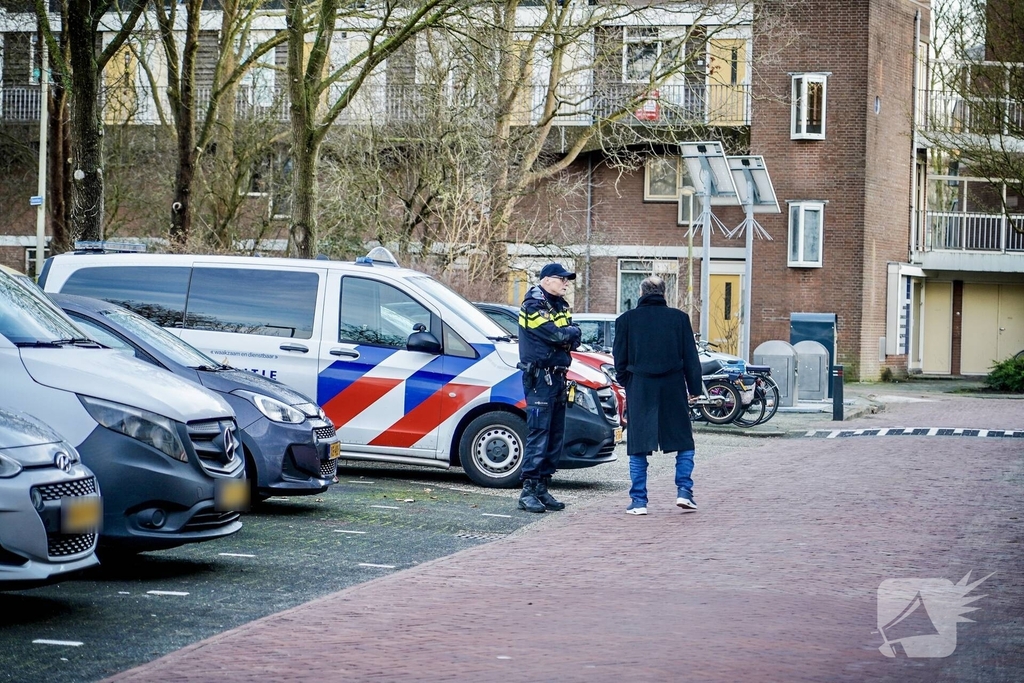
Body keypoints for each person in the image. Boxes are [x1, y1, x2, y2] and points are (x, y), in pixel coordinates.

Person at [612, 275, 704, 515]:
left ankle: (639, 501)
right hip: (672, 384)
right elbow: (691, 359)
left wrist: (629, 383)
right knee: (683, 440)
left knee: (638, 444)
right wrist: (694, 389)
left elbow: (619, 360)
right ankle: (684, 491)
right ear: (664, 294)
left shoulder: (626, 320)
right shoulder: (679, 319)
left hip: (640, 385)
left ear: (641, 292)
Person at [516, 263, 582, 513]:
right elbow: (555, 335)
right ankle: (528, 491)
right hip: (540, 379)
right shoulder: (533, 304)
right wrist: (566, 334)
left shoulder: (559, 305)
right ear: (546, 280)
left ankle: (542, 487)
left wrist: (567, 334)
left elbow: (574, 338)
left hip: (558, 378)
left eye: (567, 280)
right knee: (539, 434)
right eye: (561, 279)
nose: (566, 283)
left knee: (554, 436)